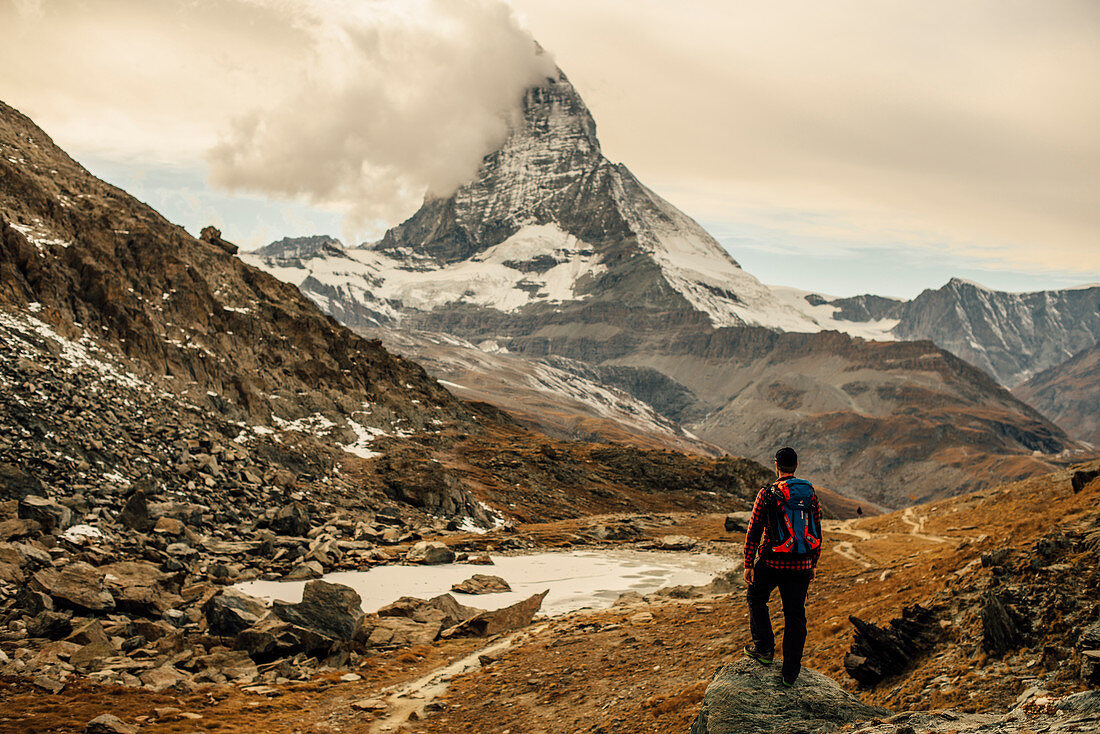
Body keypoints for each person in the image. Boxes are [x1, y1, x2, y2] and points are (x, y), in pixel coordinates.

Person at [742, 446, 823, 686]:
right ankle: (790, 674)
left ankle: (765, 650)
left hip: (772, 561)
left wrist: (749, 563)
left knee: (756, 598)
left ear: (776, 465)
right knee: (795, 615)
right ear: (796, 466)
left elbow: (754, 529)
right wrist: (813, 563)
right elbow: (817, 527)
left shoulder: (768, 493)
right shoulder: (810, 493)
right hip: (801, 564)